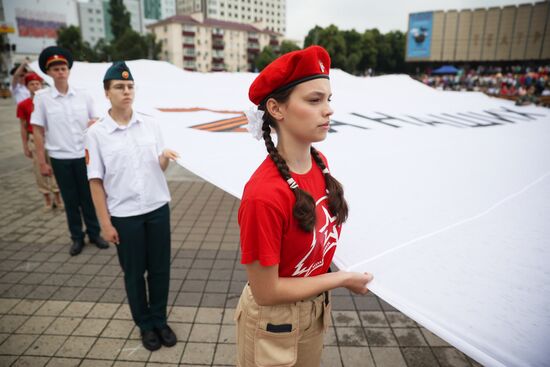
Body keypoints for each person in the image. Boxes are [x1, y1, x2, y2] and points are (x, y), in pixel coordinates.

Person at [235, 46, 373, 366]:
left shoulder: (318, 161)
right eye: (314, 100)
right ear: (276, 108)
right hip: (273, 324)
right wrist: (341, 279)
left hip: (314, 312)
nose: (328, 110)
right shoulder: (263, 196)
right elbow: (266, 292)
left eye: (328, 99)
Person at [84, 62, 179, 352]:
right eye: (119, 87)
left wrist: (164, 157)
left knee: (161, 269)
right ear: (106, 92)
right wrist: (105, 223)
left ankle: (160, 319)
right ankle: (145, 324)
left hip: (157, 208)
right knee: (134, 272)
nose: (126, 91)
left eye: (130, 86)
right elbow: (95, 182)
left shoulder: (150, 124)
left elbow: (157, 168)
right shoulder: (96, 133)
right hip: (124, 216)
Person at [30, 46, 109, 255]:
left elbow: (96, 122)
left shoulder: (83, 95)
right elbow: (37, 131)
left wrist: (94, 123)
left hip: (84, 157)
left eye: (63, 67)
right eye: (55, 69)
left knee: (89, 197)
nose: (60, 72)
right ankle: (76, 237)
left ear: (69, 70)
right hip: (60, 157)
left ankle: (94, 233)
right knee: (70, 200)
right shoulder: (42, 98)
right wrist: (42, 162)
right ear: (48, 72)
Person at [16, 72, 63, 211]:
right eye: (32, 84)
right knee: (39, 169)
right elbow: (23, 127)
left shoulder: (49, 101)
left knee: (55, 168)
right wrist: (25, 146)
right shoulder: (23, 105)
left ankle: (58, 198)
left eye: (37, 84)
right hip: (34, 138)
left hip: (50, 136)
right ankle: (47, 199)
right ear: (27, 87)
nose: (35, 86)